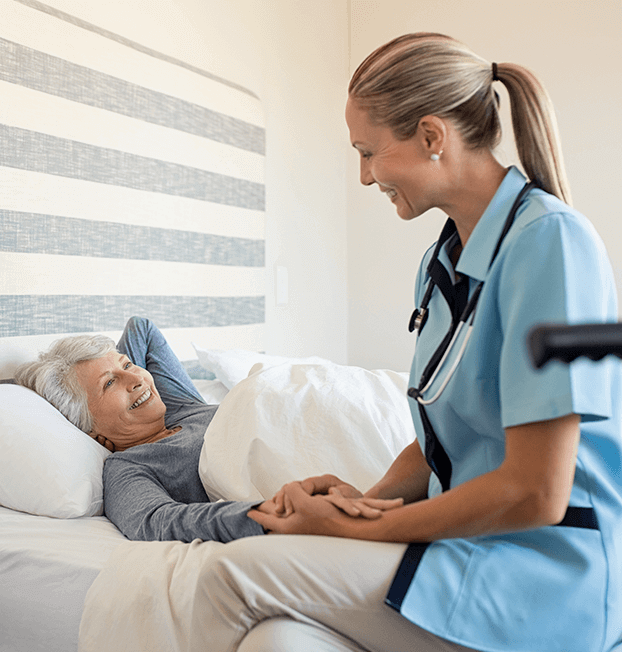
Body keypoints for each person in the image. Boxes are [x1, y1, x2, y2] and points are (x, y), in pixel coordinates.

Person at [188, 33, 622, 652]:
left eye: (368, 152)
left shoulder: (553, 244)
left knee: (228, 574)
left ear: (430, 136)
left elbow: (539, 492)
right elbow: (443, 441)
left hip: (545, 575)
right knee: (280, 640)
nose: (364, 177)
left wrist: (357, 532)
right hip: (468, 550)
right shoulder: (442, 262)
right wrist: (361, 504)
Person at [14, 315, 275, 542]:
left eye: (128, 365)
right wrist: (270, 514)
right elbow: (158, 521)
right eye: (109, 384)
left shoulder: (178, 405)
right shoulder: (129, 468)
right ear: (90, 430)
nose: (136, 378)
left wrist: (115, 373)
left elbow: (142, 328)